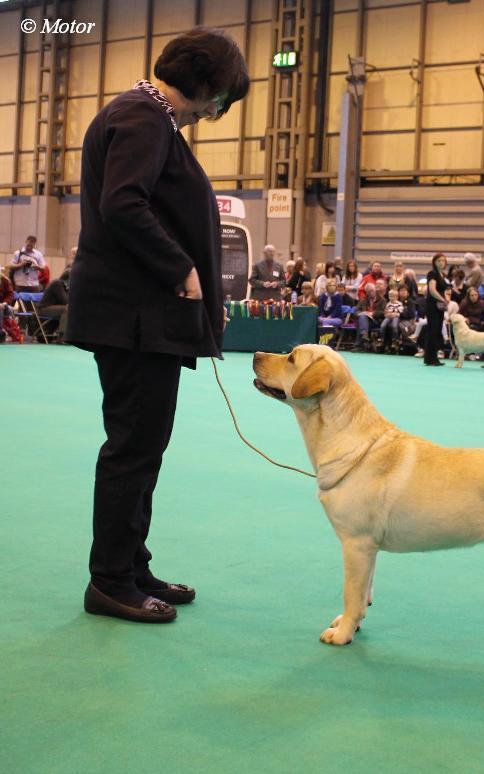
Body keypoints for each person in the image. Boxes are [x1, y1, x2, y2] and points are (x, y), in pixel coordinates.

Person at [65, 28, 249, 623]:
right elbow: (124, 203)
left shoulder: (147, 116)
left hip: (140, 316)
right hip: (133, 317)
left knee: (144, 447)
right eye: (223, 101)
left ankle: (132, 565)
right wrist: (183, 270)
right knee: (133, 448)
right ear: (210, 85)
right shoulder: (145, 117)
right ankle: (110, 582)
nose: (217, 114)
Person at [424, 253, 449, 366]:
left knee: (436, 331)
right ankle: (431, 359)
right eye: (439, 260)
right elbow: (432, 290)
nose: (441, 262)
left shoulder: (442, 275)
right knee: (433, 331)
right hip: (432, 305)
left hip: (439, 307)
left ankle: (430, 358)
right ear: (434, 262)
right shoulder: (432, 274)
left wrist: (445, 298)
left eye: (443, 261)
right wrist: (443, 300)